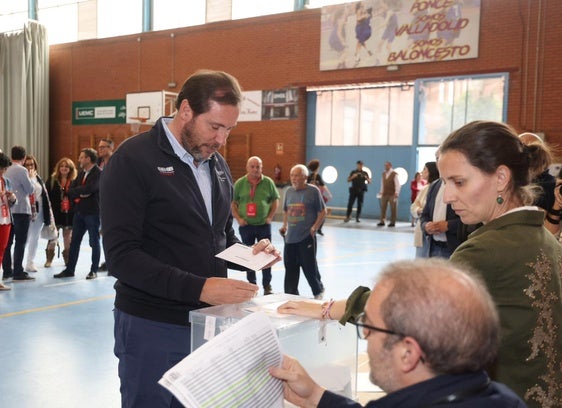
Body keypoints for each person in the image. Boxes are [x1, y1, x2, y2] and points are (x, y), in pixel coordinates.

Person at [99, 69, 281, 408]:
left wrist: (249, 255)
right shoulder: (132, 160)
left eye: (229, 129)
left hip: (207, 325)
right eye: (214, 127)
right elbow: (122, 256)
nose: (221, 139)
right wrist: (199, 288)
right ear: (185, 111)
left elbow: (220, 237)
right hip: (151, 325)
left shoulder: (216, 165)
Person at [270, 258, 528, 408]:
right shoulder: (503, 398)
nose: (367, 338)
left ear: (408, 353)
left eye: (368, 327)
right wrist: (316, 395)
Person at [439, 120, 562, 407]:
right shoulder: (545, 238)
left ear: (501, 178)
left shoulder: (482, 251)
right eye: (445, 183)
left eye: (459, 182)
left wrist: (334, 309)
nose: (447, 196)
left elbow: (412, 316)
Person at [231, 156, 280, 295]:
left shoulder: (268, 182)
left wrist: (270, 217)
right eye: (252, 166)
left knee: (267, 255)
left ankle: (267, 285)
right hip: (246, 226)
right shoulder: (240, 183)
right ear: (247, 168)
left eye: (258, 166)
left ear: (261, 168)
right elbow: (233, 203)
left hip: (263, 225)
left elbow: (275, 200)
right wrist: (239, 218)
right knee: (249, 256)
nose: (255, 169)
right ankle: (252, 285)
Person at [280, 164, 326, 300]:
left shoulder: (313, 191)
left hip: (306, 236)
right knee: (290, 268)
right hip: (290, 238)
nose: (293, 178)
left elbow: (323, 211)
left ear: (305, 177)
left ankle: (318, 291)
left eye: (297, 175)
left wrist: (314, 227)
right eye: (292, 175)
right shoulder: (288, 191)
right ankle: (291, 295)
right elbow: (286, 211)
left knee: (309, 267)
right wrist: (284, 226)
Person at [54, 148, 101, 280]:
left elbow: (91, 188)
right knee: (74, 242)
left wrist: (80, 192)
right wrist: (82, 193)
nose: (79, 160)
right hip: (79, 212)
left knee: (94, 242)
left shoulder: (99, 173)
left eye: (81, 157)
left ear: (88, 159)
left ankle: (94, 270)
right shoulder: (81, 173)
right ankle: (70, 269)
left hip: (92, 212)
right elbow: (71, 190)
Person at [2, 146, 35, 281]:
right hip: (21, 209)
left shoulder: (6, 168)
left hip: (9, 210)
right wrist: (32, 177)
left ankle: (7, 271)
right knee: (20, 241)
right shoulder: (22, 170)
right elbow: (30, 189)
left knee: (7, 242)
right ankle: (18, 272)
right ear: (24, 157)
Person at [23, 155, 54, 272]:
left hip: (40, 212)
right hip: (27, 212)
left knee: (35, 238)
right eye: (27, 164)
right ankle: (14, 262)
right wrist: (30, 178)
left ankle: (30, 262)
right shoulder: (25, 177)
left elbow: (42, 194)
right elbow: (29, 191)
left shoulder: (38, 177)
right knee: (24, 238)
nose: (30, 167)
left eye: (32, 164)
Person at [45, 157, 78, 267]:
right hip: (55, 214)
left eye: (66, 167)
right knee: (53, 236)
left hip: (69, 213)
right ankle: (49, 259)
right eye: (62, 166)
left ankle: (67, 260)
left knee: (67, 236)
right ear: (58, 168)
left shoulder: (74, 181)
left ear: (70, 169)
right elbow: (46, 196)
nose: (64, 168)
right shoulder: (52, 180)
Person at [410, 162, 439, 258]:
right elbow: (414, 206)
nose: (422, 172)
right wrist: (419, 210)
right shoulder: (424, 189)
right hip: (421, 227)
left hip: (432, 229)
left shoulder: (437, 188)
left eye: (425, 169)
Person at [0, 152, 17, 291]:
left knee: (1, 251)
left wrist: (12, 197)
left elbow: (12, 202)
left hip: (5, 219)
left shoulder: (6, 181)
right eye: (2, 168)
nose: (4, 171)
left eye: (4, 168)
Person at [307, 159, 330, 235]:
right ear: (317, 167)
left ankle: (314, 227)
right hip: (316, 197)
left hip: (309, 196)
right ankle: (318, 227)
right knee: (322, 212)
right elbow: (323, 186)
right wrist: (329, 194)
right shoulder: (317, 176)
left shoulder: (308, 176)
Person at [377, 161, 400, 227]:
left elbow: (397, 184)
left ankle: (392, 222)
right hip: (384, 193)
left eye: (387, 165)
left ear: (390, 165)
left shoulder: (394, 174)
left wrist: (397, 192)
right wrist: (381, 191)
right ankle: (382, 221)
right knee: (383, 207)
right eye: (385, 165)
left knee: (393, 208)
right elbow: (382, 183)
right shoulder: (383, 173)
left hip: (392, 193)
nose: (386, 167)